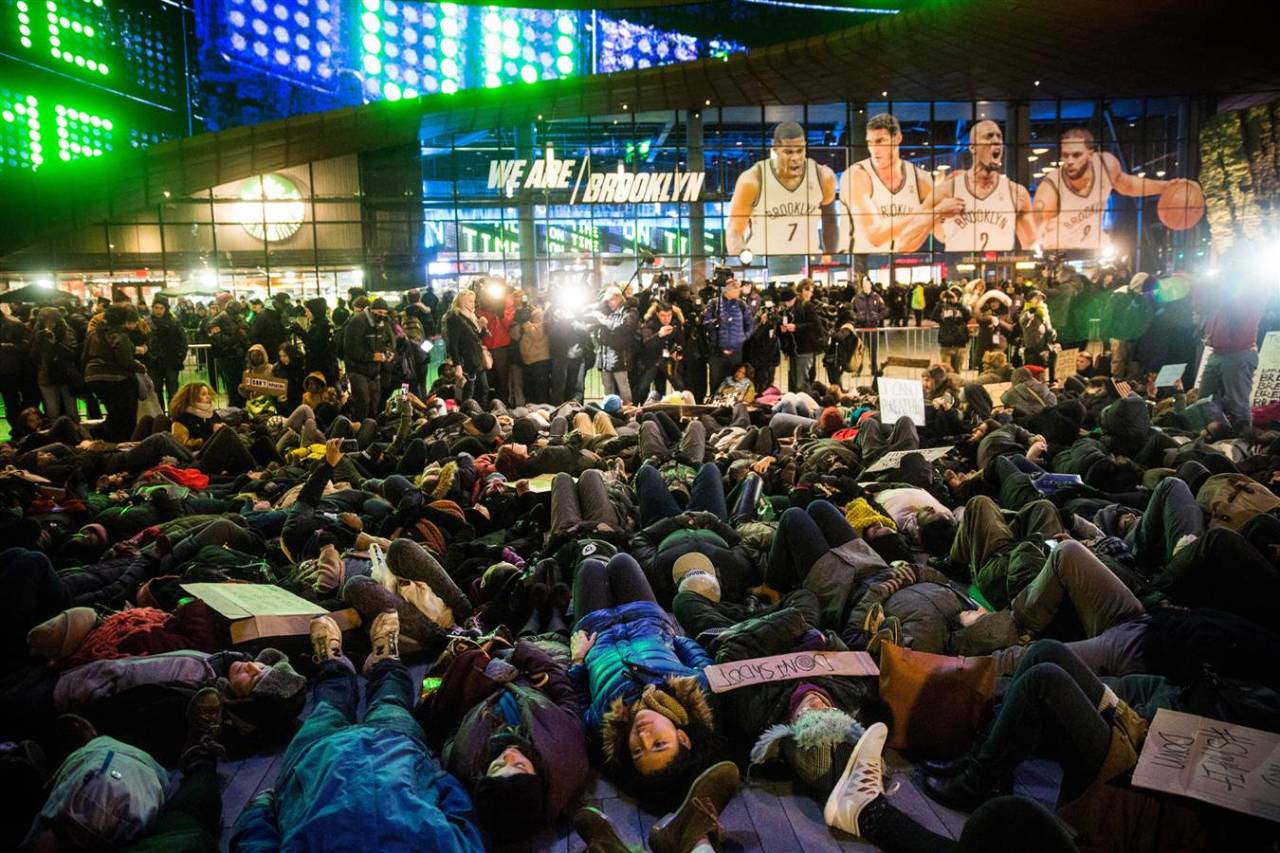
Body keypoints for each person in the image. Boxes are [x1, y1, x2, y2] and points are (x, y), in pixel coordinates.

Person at [231, 611, 484, 851]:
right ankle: (385, 660)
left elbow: (255, 845)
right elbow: (462, 818)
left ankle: (334, 662)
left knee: (329, 704)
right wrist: (433, 779)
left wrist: (260, 809)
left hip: (314, 759)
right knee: (391, 699)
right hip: (395, 748)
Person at [1035, 127, 1188, 251]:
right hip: (1061, 253)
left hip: (1096, 250)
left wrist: (1165, 186)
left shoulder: (1105, 165)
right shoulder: (1051, 187)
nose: (1069, 161)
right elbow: (1034, 224)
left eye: (1076, 155)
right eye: (1065, 155)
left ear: (1090, 154)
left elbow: (1127, 185)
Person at [840, 112, 962, 255]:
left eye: (880, 141)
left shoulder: (920, 178)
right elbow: (875, 235)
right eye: (870, 142)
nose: (874, 149)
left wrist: (954, 194)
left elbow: (940, 232)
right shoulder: (857, 174)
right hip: (864, 261)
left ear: (897, 138)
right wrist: (932, 209)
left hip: (906, 255)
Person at [726, 121, 839, 259]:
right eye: (788, 152)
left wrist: (831, 257)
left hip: (808, 263)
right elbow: (734, 230)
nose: (796, 158)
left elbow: (831, 221)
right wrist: (743, 260)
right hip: (763, 262)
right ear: (775, 150)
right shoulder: (752, 180)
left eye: (800, 150)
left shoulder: (823, 176)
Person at [933, 120, 1038, 252]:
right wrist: (939, 217)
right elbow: (934, 230)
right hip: (960, 269)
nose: (996, 140)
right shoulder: (949, 189)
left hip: (1001, 268)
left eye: (999, 136)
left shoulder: (1016, 193)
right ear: (972, 148)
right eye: (989, 136)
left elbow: (1031, 243)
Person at [83, 305, 147, 442]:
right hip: (116, 378)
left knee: (113, 412)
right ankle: (122, 441)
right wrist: (141, 368)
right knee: (124, 415)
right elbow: (124, 360)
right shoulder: (119, 335)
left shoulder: (93, 333)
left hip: (93, 376)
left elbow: (84, 355)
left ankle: (104, 436)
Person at [343, 297, 395, 420]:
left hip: (375, 371)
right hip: (358, 370)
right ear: (372, 311)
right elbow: (350, 349)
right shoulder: (358, 322)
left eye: (384, 313)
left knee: (374, 404)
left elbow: (390, 341)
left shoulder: (384, 323)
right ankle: (359, 432)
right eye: (379, 313)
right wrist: (372, 356)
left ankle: (372, 431)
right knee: (363, 403)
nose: (382, 316)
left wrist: (389, 352)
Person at [703, 276, 756, 397]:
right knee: (716, 384)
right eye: (736, 288)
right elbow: (705, 324)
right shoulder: (714, 304)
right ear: (727, 290)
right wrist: (716, 322)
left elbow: (750, 325)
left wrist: (742, 338)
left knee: (734, 384)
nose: (739, 290)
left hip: (736, 353)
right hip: (717, 353)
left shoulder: (742, 305)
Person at [32, 307, 81, 424]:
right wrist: (38, 340)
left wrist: (56, 344)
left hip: (65, 374)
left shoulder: (66, 332)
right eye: (46, 321)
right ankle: (56, 436)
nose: (49, 324)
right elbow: (33, 356)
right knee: (52, 411)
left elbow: (73, 354)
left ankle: (76, 434)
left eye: (52, 321)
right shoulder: (38, 333)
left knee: (72, 411)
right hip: (46, 375)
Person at [592, 285, 638, 405]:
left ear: (619, 298)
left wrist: (604, 321)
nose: (609, 303)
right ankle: (610, 412)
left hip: (619, 357)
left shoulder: (630, 312)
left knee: (624, 389)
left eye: (611, 300)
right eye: (607, 301)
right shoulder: (607, 312)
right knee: (607, 390)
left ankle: (630, 414)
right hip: (604, 357)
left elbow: (623, 329)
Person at [445, 289, 489, 404]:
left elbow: (478, 338)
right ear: (463, 302)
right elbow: (453, 344)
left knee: (483, 389)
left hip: (476, 360)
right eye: (470, 301)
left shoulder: (471, 317)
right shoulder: (455, 318)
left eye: (473, 301)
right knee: (469, 392)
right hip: (467, 361)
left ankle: (480, 415)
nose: (473, 304)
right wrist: (457, 364)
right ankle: (467, 416)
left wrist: (483, 327)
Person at [779, 280, 823, 392]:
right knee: (795, 380)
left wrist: (796, 327)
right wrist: (783, 329)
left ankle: (806, 406)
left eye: (788, 301)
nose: (786, 304)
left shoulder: (807, 306)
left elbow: (816, 325)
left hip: (805, 349)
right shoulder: (787, 309)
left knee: (802, 382)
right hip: (793, 350)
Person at [147, 297, 188, 411]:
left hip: (171, 362)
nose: (159, 310)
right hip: (154, 363)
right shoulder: (147, 323)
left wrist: (179, 358)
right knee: (156, 391)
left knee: (173, 391)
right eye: (156, 308)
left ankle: (173, 414)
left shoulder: (174, 323)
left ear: (166, 309)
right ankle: (160, 416)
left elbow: (183, 341)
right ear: (152, 308)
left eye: (161, 308)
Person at [851, 278, 887, 377]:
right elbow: (851, 311)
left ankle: (874, 369)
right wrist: (857, 317)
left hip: (872, 328)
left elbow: (884, 311)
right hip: (860, 328)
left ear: (871, 284)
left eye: (867, 283)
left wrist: (877, 317)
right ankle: (858, 369)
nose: (865, 285)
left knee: (873, 349)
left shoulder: (876, 297)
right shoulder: (856, 298)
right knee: (859, 350)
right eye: (863, 283)